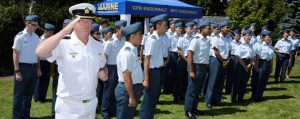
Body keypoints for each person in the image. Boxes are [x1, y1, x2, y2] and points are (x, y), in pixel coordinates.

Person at [35, 3, 108, 119]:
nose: (87, 24)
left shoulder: (98, 46)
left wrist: (104, 72)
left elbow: (103, 65)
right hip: (68, 107)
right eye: (82, 20)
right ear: (73, 23)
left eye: (89, 21)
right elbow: (40, 52)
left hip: (90, 106)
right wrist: (65, 31)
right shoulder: (64, 43)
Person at [12, 15, 42, 119]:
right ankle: (16, 117)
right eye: (34, 25)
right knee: (19, 95)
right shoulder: (20, 36)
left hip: (33, 68)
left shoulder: (36, 37)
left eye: (37, 25)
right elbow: (15, 54)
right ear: (27, 23)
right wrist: (17, 71)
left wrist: (38, 68)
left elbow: (37, 54)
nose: (36, 27)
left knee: (29, 95)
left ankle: (25, 116)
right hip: (22, 68)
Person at [139, 14, 168, 119]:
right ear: (158, 25)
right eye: (165, 25)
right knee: (148, 99)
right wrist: (146, 79)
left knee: (153, 98)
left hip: (157, 70)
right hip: (151, 72)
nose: (166, 27)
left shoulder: (159, 38)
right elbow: (147, 59)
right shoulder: (152, 39)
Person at [115, 22, 144, 119]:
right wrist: (131, 96)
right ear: (132, 36)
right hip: (127, 90)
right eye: (140, 34)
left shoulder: (132, 50)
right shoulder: (127, 52)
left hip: (130, 89)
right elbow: (126, 76)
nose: (142, 36)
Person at [184, 20, 211, 119]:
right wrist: (191, 70)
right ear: (202, 29)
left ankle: (194, 108)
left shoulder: (207, 40)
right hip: (196, 66)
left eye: (209, 28)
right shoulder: (196, 39)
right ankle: (188, 110)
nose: (209, 30)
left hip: (203, 67)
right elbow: (189, 54)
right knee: (192, 89)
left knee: (198, 90)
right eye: (207, 28)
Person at [102, 20, 126, 119]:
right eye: (122, 28)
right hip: (110, 68)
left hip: (120, 68)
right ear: (117, 29)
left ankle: (113, 109)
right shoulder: (110, 42)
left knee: (116, 90)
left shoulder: (123, 41)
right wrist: (105, 70)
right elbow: (104, 57)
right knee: (108, 91)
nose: (124, 30)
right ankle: (105, 111)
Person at [205, 21, 231, 109]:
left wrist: (227, 61)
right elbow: (216, 51)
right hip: (216, 60)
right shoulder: (216, 38)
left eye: (229, 27)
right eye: (227, 27)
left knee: (220, 82)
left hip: (225, 61)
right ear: (222, 28)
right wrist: (223, 61)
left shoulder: (228, 38)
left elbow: (230, 51)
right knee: (213, 81)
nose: (228, 29)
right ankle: (209, 101)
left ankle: (217, 100)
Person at [231, 29, 255, 102]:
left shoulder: (251, 46)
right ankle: (234, 98)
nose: (249, 37)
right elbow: (238, 57)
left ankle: (240, 98)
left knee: (244, 82)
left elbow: (252, 56)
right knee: (237, 81)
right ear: (243, 36)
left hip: (248, 63)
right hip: (240, 63)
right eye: (247, 35)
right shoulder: (240, 45)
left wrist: (250, 64)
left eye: (250, 35)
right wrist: (245, 66)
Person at [34, 23, 55, 103]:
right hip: (40, 62)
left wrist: (52, 67)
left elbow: (52, 53)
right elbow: (37, 54)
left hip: (48, 62)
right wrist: (38, 67)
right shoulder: (39, 40)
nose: (52, 34)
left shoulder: (51, 41)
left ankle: (43, 97)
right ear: (45, 31)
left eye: (53, 32)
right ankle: (37, 97)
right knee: (39, 80)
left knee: (46, 81)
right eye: (50, 32)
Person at [251, 31, 274, 102]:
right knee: (258, 81)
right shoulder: (259, 45)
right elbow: (257, 57)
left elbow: (271, 58)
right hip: (260, 63)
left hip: (267, 63)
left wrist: (271, 67)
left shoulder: (271, 46)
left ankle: (260, 96)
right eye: (268, 37)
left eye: (270, 37)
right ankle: (254, 97)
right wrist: (256, 67)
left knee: (264, 81)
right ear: (263, 38)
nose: (269, 38)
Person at [176, 21, 196, 103]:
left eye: (192, 28)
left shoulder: (194, 38)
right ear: (186, 29)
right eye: (190, 28)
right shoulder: (182, 38)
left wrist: (189, 60)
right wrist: (186, 59)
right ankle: (176, 96)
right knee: (179, 78)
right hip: (183, 60)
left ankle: (183, 95)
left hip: (190, 60)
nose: (191, 30)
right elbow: (179, 50)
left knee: (186, 80)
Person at [169, 22, 183, 103]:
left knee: (180, 77)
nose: (180, 30)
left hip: (181, 56)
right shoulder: (171, 37)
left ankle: (180, 94)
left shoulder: (183, 37)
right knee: (174, 77)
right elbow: (169, 48)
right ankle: (175, 95)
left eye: (181, 28)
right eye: (179, 28)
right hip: (173, 55)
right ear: (175, 28)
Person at [225, 29, 242, 95]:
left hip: (239, 59)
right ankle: (228, 89)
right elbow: (229, 52)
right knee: (230, 74)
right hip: (233, 58)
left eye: (239, 35)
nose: (239, 37)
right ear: (234, 36)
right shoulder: (231, 43)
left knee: (237, 74)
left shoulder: (241, 43)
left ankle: (235, 89)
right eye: (237, 35)